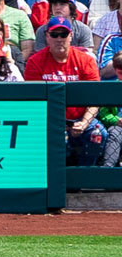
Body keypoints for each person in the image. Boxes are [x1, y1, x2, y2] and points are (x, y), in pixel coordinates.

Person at [25, 16, 106, 166]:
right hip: (50, 119)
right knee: (55, 137)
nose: (59, 39)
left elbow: (95, 99)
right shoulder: (35, 61)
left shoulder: (85, 60)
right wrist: (59, 123)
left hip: (81, 118)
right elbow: (34, 102)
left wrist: (83, 123)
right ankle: (57, 179)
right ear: (47, 37)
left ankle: (83, 176)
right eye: (55, 34)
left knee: (99, 134)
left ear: (71, 36)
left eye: (64, 34)